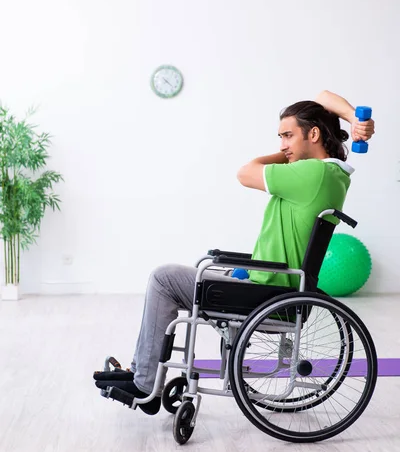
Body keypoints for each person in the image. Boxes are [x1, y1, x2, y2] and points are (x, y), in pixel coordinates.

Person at [94, 90, 375, 415]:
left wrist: (285, 154)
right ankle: (144, 374)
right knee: (192, 275)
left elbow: (245, 172)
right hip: (276, 285)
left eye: (287, 136)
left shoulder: (312, 173)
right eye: (280, 137)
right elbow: (323, 97)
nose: (283, 144)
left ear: (313, 134)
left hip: (266, 295)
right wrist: (355, 119)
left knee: (164, 278)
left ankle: (144, 383)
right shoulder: (334, 174)